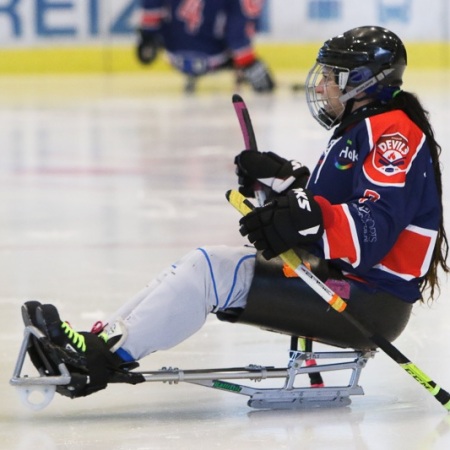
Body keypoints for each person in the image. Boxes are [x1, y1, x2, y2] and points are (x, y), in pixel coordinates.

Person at [23, 26, 448, 398]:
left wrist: (300, 214)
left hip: (366, 303)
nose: (321, 88)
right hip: (343, 283)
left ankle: (97, 359)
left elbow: (372, 230)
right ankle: (100, 344)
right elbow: (328, 206)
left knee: (211, 271)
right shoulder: (364, 127)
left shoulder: (393, 133)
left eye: (331, 79)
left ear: (361, 83)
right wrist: (281, 181)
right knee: (199, 264)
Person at [135, 0, 275, 93]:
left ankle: (191, 73)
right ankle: (240, 71)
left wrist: (147, 38)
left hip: (174, 57)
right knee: (234, 25)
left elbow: (152, 10)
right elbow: (236, 36)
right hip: (212, 60)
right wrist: (250, 64)